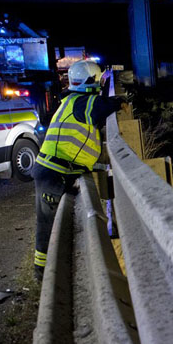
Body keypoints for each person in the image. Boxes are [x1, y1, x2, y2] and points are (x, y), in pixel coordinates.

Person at [32, 60, 126, 279]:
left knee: (49, 220)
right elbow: (101, 108)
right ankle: (43, 273)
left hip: (54, 170)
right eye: (98, 80)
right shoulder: (84, 102)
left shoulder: (73, 100)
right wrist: (119, 102)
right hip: (54, 172)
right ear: (91, 81)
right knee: (48, 222)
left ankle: (45, 270)